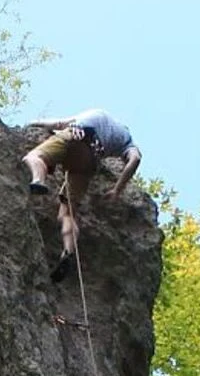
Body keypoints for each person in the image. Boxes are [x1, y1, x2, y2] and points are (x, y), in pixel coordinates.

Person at [22, 109, 142, 282]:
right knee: (67, 213)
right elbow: (135, 159)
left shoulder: (97, 113)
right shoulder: (126, 140)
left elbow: (58, 124)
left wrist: (35, 122)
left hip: (75, 136)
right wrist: (117, 189)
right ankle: (68, 251)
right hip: (89, 161)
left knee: (34, 157)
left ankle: (38, 181)